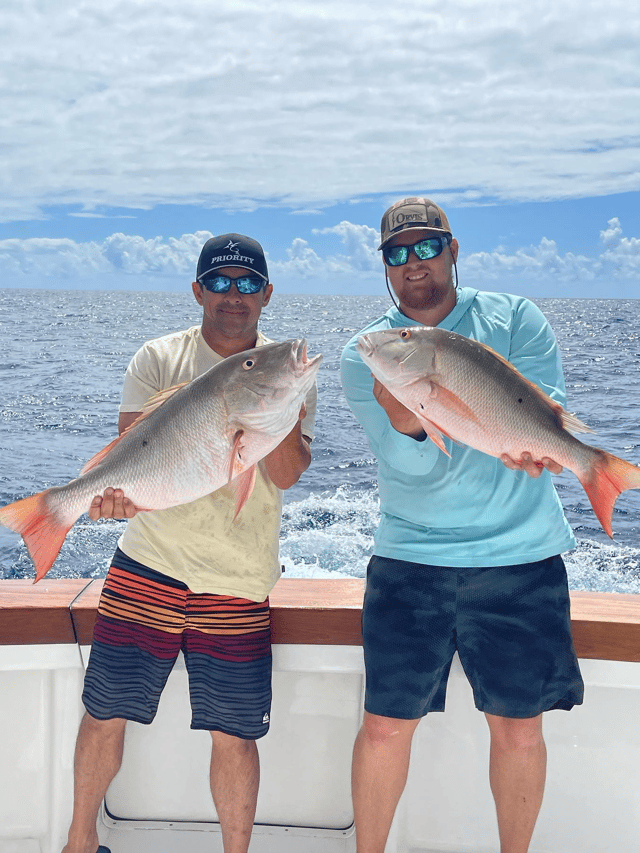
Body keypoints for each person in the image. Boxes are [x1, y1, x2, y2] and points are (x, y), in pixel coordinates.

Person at [341, 198, 583, 853]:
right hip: (410, 558)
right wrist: (408, 415)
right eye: (397, 252)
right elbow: (410, 467)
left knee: (520, 729)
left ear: (454, 248)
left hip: (520, 556)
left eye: (426, 246)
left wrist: (543, 445)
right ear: (384, 266)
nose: (413, 263)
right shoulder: (367, 353)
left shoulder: (517, 319)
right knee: (386, 726)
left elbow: (539, 415)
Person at [62, 233, 317, 853]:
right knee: (105, 710)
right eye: (222, 282)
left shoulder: (288, 373)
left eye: (249, 283)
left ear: (267, 294)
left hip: (237, 576)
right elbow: (133, 455)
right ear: (199, 290)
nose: (236, 296)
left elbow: (284, 474)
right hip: (147, 564)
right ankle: (76, 843)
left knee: (234, 733)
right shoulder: (159, 358)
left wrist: (267, 408)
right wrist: (114, 495)